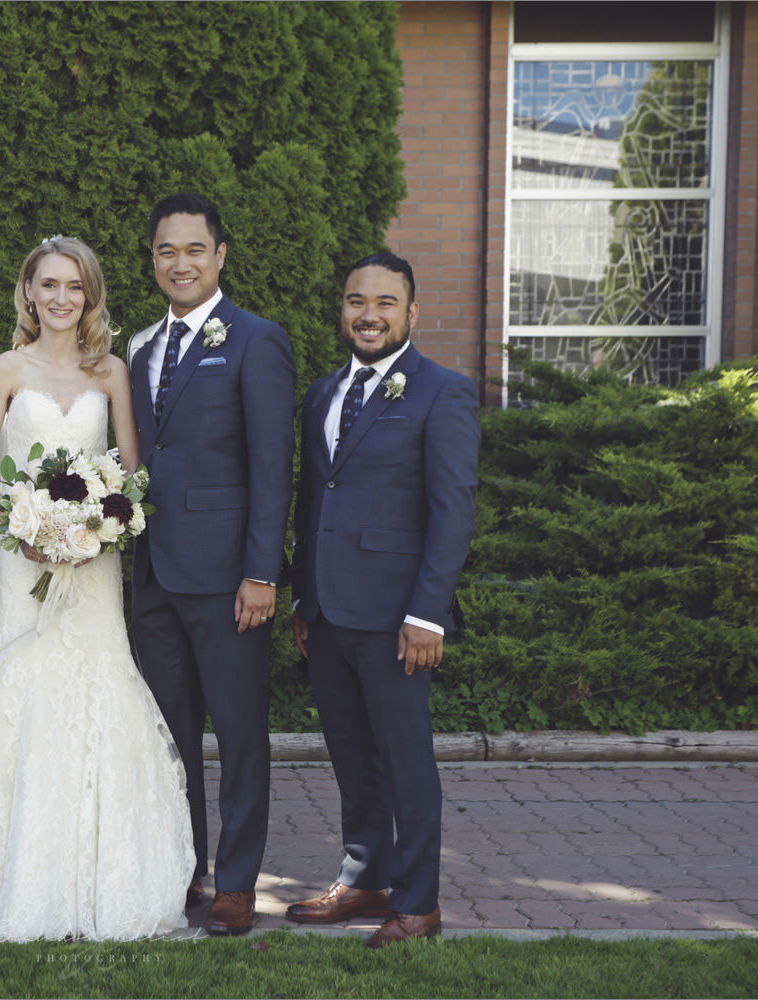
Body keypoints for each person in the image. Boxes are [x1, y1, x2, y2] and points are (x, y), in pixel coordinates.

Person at [0, 236, 193, 942]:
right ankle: (8, 885)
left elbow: (130, 471)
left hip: (92, 566)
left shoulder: (112, 373)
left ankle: (105, 882)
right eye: (49, 285)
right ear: (29, 292)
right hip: (23, 558)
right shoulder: (7, 369)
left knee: (97, 685)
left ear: (90, 295)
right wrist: (24, 524)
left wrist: (99, 528)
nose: (61, 298)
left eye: (75, 286)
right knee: (22, 688)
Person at [286, 251, 479, 947]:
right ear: (342, 309)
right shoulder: (321, 394)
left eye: (385, 303)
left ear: (412, 312)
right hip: (327, 612)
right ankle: (365, 878)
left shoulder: (443, 392)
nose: (368, 315)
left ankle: (418, 903)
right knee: (350, 753)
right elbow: (314, 500)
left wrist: (428, 613)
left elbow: (453, 511)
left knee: (405, 762)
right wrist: (303, 599)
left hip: (399, 617)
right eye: (356, 301)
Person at [126, 194, 296, 936]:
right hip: (153, 576)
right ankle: (184, 864)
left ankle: (238, 882)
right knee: (169, 738)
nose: (180, 263)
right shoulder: (140, 348)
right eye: (167, 250)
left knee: (239, 734)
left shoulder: (257, 341)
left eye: (194, 249)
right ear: (153, 259)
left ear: (220, 255)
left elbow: (272, 466)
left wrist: (262, 573)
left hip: (230, 580)